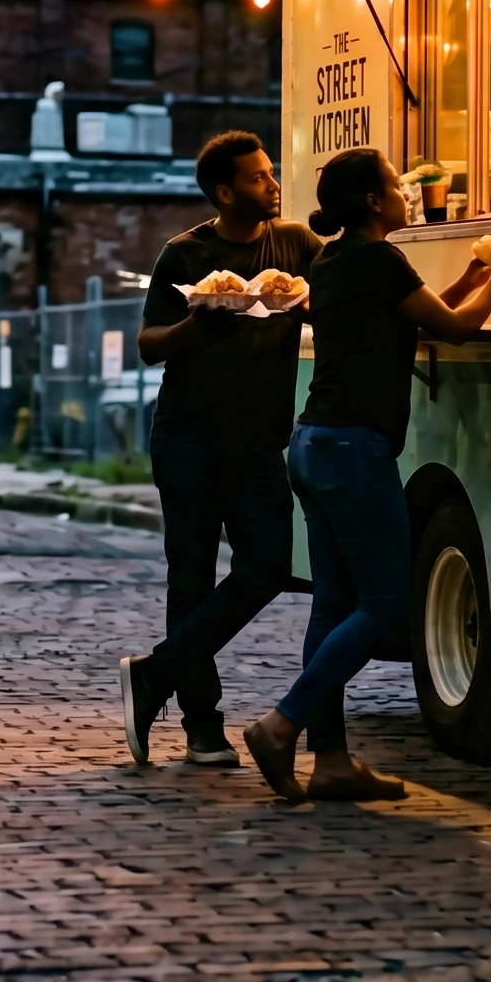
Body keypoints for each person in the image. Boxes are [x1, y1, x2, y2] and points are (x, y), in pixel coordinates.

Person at [242, 146, 491, 802]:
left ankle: (333, 760)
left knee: (335, 602)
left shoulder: (337, 260)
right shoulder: (379, 258)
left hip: (312, 444)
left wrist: (471, 273)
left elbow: (417, 312)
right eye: (396, 185)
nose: (403, 193)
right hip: (353, 450)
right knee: (386, 602)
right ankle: (283, 724)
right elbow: (453, 328)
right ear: (374, 201)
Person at [119, 132, 322, 768]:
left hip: (262, 438)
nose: (273, 185)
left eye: (271, 174)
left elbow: (334, 294)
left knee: (266, 569)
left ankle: (153, 674)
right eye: (259, 178)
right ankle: (202, 725)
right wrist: (197, 324)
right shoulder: (186, 254)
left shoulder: (294, 244)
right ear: (224, 191)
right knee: (192, 576)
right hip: (188, 437)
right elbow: (150, 344)